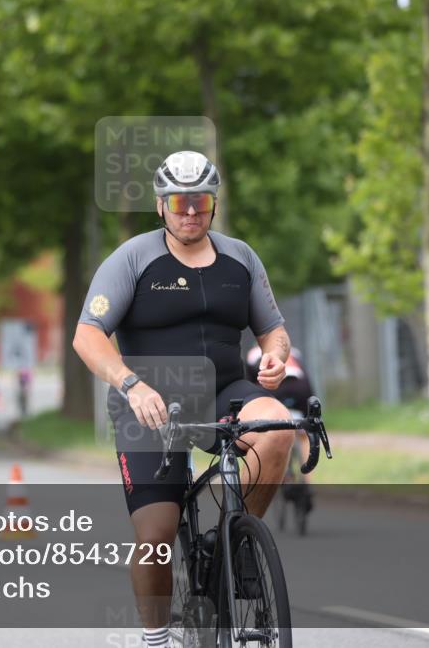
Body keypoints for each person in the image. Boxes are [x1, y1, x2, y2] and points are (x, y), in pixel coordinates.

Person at [72, 151, 295, 646]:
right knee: (156, 537)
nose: (190, 211)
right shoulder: (132, 258)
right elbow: (87, 336)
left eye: (200, 201)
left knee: (277, 428)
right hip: (148, 403)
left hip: (224, 392)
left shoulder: (241, 258)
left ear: (212, 204)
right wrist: (130, 384)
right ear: (160, 205)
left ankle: (238, 540)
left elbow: (272, 329)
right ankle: (156, 637)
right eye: (179, 201)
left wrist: (275, 357)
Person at [246, 344, 315, 513]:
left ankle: (286, 478)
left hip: (271, 389)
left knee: (276, 432)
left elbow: (247, 384)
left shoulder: (253, 353)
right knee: (305, 434)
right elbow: (306, 377)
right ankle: (308, 482)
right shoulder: (294, 350)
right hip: (300, 388)